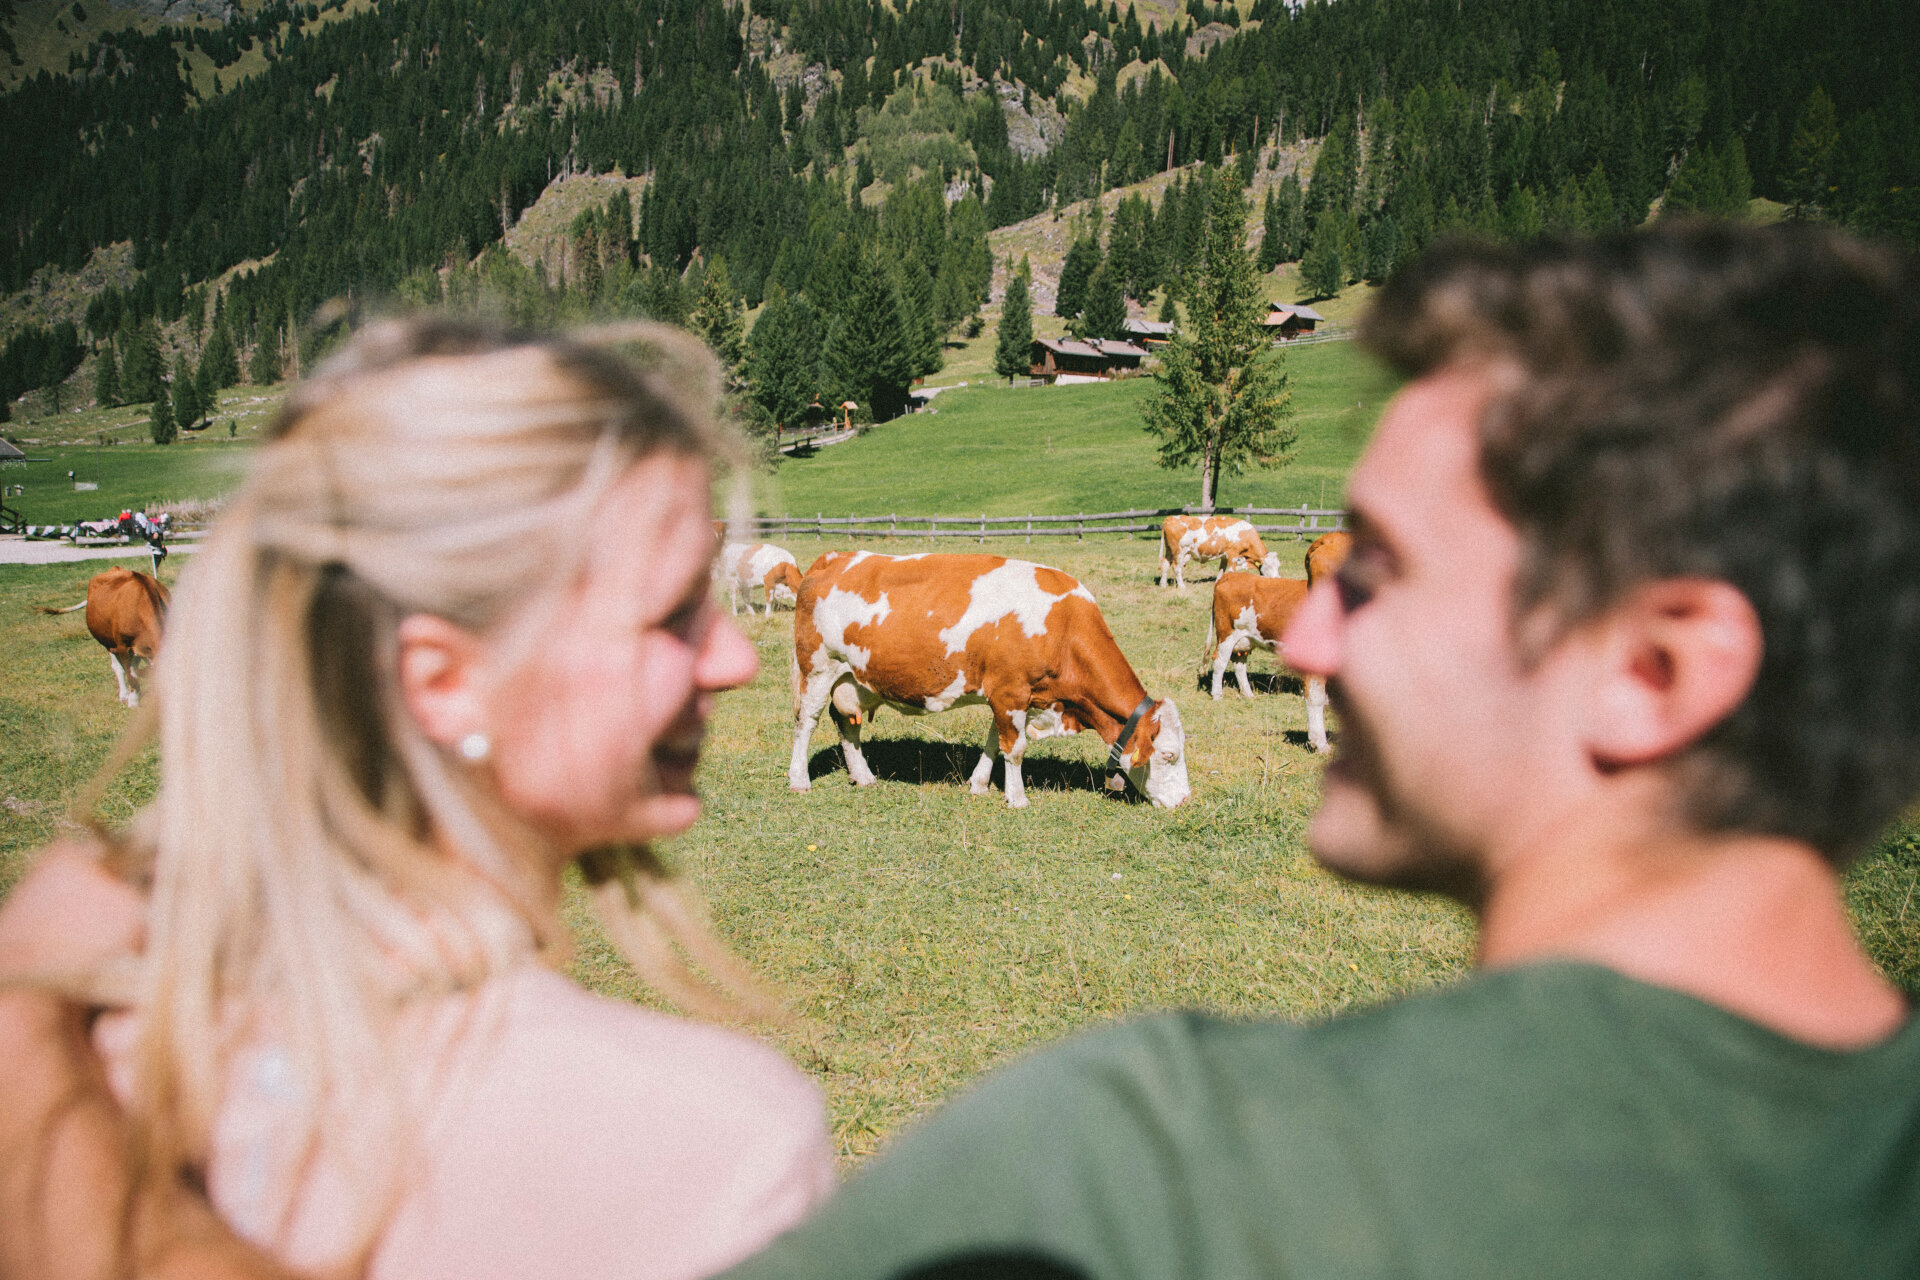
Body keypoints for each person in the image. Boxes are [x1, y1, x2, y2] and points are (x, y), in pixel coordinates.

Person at [9, 221, 1920, 1278]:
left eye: (1382, 570)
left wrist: (82, 1144)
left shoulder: (1149, 1173)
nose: (1297, 622)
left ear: (1660, 670)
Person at [0, 317, 836, 1278]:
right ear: (441, 682)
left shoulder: (87, 1030)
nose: (733, 660)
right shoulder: (716, 1149)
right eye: (672, 615)